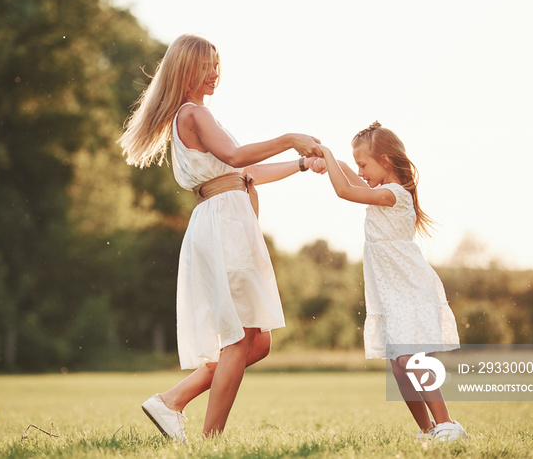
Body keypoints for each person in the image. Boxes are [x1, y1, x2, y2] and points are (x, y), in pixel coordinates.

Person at [119, 33, 324, 441]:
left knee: (257, 341)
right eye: (206, 66)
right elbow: (236, 157)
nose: (215, 74)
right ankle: (211, 440)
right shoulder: (194, 114)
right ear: (185, 70)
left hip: (227, 218)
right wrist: (290, 137)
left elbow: (243, 174)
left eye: (217, 65)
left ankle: (171, 402)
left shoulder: (196, 117)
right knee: (240, 336)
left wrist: (300, 163)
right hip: (223, 224)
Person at [315, 121, 468, 441]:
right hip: (390, 291)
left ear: (385, 160)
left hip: (408, 288)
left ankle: (448, 425)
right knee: (398, 365)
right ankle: (427, 430)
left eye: (363, 164)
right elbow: (345, 174)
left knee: (408, 357)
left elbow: (344, 189)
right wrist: (327, 160)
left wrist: (327, 154)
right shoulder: (380, 189)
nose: (360, 172)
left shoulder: (393, 194)